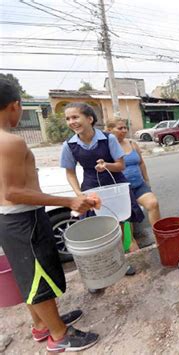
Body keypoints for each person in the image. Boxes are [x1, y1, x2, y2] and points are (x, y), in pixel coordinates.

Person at [0, 79, 99, 352]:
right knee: (39, 277)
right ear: (15, 106)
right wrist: (68, 200)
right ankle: (59, 335)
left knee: (26, 276)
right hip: (23, 219)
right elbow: (12, 192)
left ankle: (42, 325)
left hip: (9, 220)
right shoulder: (10, 141)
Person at [60, 103, 145, 276]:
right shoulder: (69, 145)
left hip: (116, 187)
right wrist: (79, 194)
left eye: (75, 117)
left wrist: (106, 165)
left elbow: (120, 166)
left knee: (123, 225)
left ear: (90, 119)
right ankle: (102, 269)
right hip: (91, 188)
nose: (71, 122)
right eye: (68, 119)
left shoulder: (108, 139)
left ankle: (123, 261)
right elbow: (70, 173)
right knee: (97, 231)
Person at [106, 118, 161, 225]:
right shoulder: (107, 147)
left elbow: (141, 163)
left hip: (138, 185)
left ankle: (159, 238)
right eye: (120, 128)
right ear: (109, 130)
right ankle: (128, 240)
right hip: (121, 190)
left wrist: (146, 180)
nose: (124, 130)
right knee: (126, 220)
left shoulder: (132, 143)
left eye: (125, 127)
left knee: (153, 204)